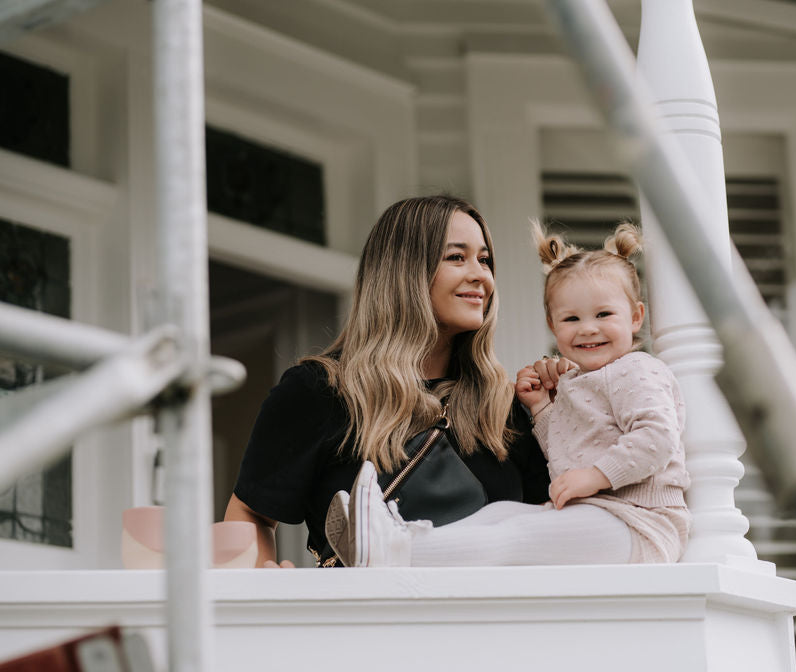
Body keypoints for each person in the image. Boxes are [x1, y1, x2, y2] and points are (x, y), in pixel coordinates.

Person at [326, 222, 691, 567]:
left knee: (516, 535)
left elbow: (657, 438)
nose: (588, 329)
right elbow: (571, 452)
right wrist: (543, 411)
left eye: (604, 314)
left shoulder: (638, 369)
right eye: (571, 319)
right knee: (498, 513)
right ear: (552, 325)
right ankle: (397, 537)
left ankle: (397, 552)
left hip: (640, 523)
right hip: (597, 514)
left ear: (636, 317)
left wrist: (596, 475)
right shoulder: (580, 381)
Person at [224, 195, 551, 567]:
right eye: (457, 257)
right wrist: (262, 584)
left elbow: (551, 519)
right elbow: (252, 513)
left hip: (487, 621)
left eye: (485, 260)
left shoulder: (502, 405)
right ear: (404, 271)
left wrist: (562, 409)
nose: (481, 276)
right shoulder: (319, 391)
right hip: (365, 621)